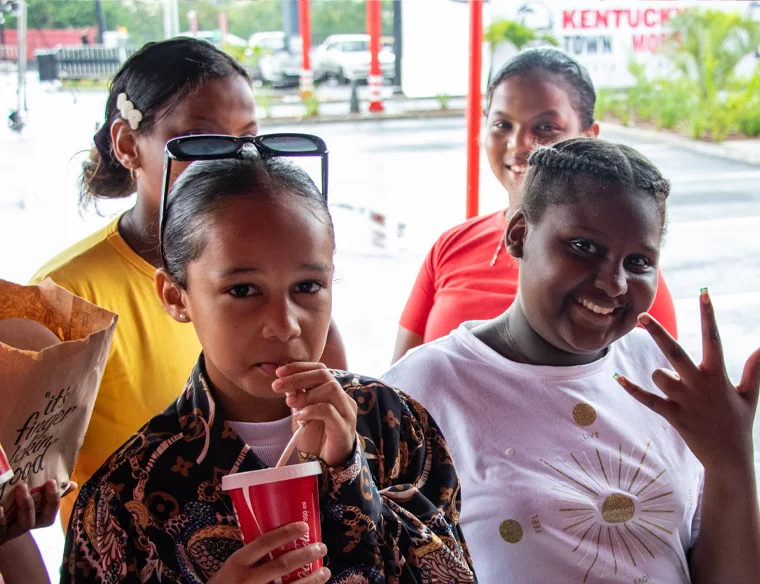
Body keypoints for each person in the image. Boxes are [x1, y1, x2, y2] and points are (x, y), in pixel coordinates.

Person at [60, 149, 476, 584]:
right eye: (242, 290)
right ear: (174, 296)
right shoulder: (127, 494)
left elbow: (456, 571)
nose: (284, 325)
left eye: (308, 286)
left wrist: (349, 473)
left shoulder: (394, 423)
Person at [383, 138, 760, 583]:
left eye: (639, 261)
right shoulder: (421, 390)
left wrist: (732, 459)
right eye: (584, 247)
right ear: (519, 235)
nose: (613, 282)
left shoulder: (662, 376)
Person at [29, 37, 347, 529]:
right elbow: (19, 499)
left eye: (248, 141)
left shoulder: (282, 287)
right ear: (128, 144)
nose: (234, 163)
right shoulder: (66, 299)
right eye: (201, 142)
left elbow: (341, 427)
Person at [393, 47, 677, 363]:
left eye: (545, 128)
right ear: (518, 235)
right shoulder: (450, 246)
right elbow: (395, 396)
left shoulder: (624, 281)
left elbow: (653, 392)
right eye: (502, 125)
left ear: (588, 137)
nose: (519, 145)